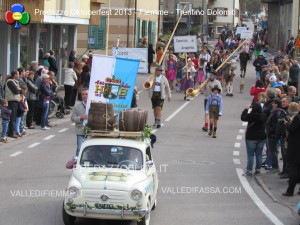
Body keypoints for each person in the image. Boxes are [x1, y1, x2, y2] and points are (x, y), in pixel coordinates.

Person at [241, 103, 267, 176]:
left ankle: (249, 170)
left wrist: (246, 109)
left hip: (251, 137)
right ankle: (258, 170)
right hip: (262, 136)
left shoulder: (251, 115)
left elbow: (243, 118)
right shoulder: (263, 115)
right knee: (259, 154)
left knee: (250, 155)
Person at [282, 102, 300, 196]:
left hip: (295, 147)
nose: (298, 106)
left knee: (293, 169)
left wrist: (287, 124)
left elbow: (292, 129)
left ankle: (290, 190)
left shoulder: (297, 118)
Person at [71, 88, 88, 157]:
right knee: (79, 149)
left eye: (86, 94)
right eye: (83, 94)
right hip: (80, 131)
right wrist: (80, 117)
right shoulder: (77, 106)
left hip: (91, 131)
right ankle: (77, 163)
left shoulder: (94, 104)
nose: (85, 96)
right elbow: (72, 118)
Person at [5, 70, 21, 138]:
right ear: (14, 75)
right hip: (11, 101)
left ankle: (12, 131)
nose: (19, 75)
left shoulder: (14, 82)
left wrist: (19, 90)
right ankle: (11, 133)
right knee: (12, 118)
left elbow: (19, 90)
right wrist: (20, 90)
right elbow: (16, 91)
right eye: (18, 74)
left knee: (14, 117)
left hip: (15, 101)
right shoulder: (10, 81)